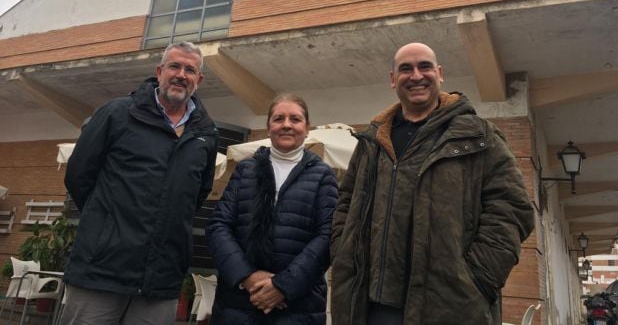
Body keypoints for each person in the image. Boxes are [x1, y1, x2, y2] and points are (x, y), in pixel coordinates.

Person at [330, 42, 534, 325]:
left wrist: (479, 277)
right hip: (369, 306)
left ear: (439, 74)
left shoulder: (478, 135)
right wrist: (343, 250)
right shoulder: (373, 141)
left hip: (449, 307)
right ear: (393, 79)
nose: (416, 76)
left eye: (424, 66)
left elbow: (512, 209)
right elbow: (346, 201)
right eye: (406, 69)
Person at [61, 41, 218, 325]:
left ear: (199, 80)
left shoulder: (206, 134)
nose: (181, 74)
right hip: (101, 270)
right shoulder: (117, 113)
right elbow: (78, 176)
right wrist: (107, 224)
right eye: (174, 66)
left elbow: (197, 195)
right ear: (159, 71)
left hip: (161, 279)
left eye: (190, 69)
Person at [207, 94, 338, 324]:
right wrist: (248, 277)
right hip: (238, 303)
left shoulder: (323, 175)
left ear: (307, 128)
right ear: (269, 127)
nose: (286, 124)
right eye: (279, 118)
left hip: (298, 305)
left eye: (295, 119)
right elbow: (219, 225)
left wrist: (283, 286)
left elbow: (327, 236)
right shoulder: (245, 170)